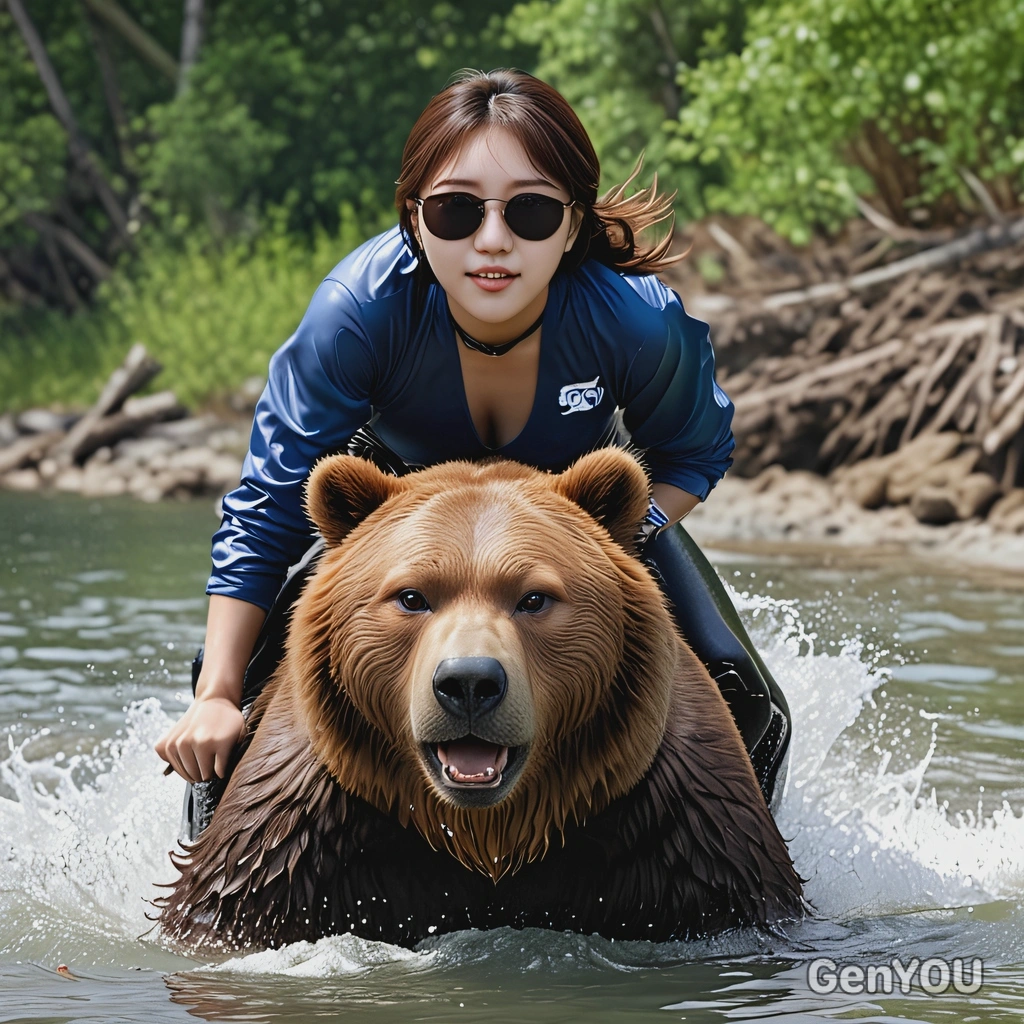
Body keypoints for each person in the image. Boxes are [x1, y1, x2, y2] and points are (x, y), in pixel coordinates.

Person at [155, 68, 790, 811]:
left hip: (579, 517)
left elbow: (694, 452)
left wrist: (612, 544)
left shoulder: (637, 323)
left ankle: (766, 877)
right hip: (390, 513)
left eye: (530, 212)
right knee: (242, 705)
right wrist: (218, 693)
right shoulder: (357, 314)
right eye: (457, 211)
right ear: (415, 218)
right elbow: (267, 505)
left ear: (575, 222)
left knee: (745, 696)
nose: (493, 242)